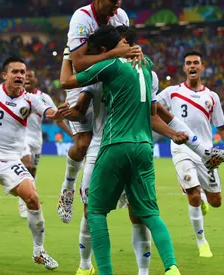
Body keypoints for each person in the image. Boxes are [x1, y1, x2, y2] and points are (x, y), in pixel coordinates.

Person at [59, 25, 181, 275]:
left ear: (104, 50)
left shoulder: (109, 66)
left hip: (115, 144)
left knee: (94, 211)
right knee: (149, 213)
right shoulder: (146, 64)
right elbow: (152, 113)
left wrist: (69, 55)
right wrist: (173, 133)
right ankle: (171, 267)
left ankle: (103, 271)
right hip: (144, 146)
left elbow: (66, 81)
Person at [156, 51, 224, 258]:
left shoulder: (212, 97)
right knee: (193, 194)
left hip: (206, 153)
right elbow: (150, 105)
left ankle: (202, 197)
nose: (192, 66)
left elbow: (222, 128)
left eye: (195, 63)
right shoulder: (172, 92)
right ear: (184, 68)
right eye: (188, 63)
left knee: (216, 201)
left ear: (201, 67)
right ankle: (202, 242)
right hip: (181, 148)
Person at [0, 56, 62, 270]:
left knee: (32, 198)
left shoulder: (31, 100)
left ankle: (39, 251)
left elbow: (49, 113)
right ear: (5, 75)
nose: (20, 75)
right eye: (15, 72)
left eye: (22, 72)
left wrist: (61, 112)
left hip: (11, 159)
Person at [58, 0, 140, 224]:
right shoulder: (81, 18)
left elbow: (127, 44)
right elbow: (80, 62)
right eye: (113, 2)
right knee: (83, 143)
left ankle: (119, 182)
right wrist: (114, 53)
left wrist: (135, 50)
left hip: (110, 74)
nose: (117, 6)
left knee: (116, 129)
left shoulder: (120, 15)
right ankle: (68, 185)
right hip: (82, 77)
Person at [18, 69, 73, 218]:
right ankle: (23, 202)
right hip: (22, 138)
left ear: (36, 80)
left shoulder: (43, 98)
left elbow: (57, 118)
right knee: (27, 165)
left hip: (36, 139)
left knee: (33, 172)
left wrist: (72, 134)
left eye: (30, 76)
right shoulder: (17, 96)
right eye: (25, 76)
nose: (27, 78)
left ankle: (29, 197)